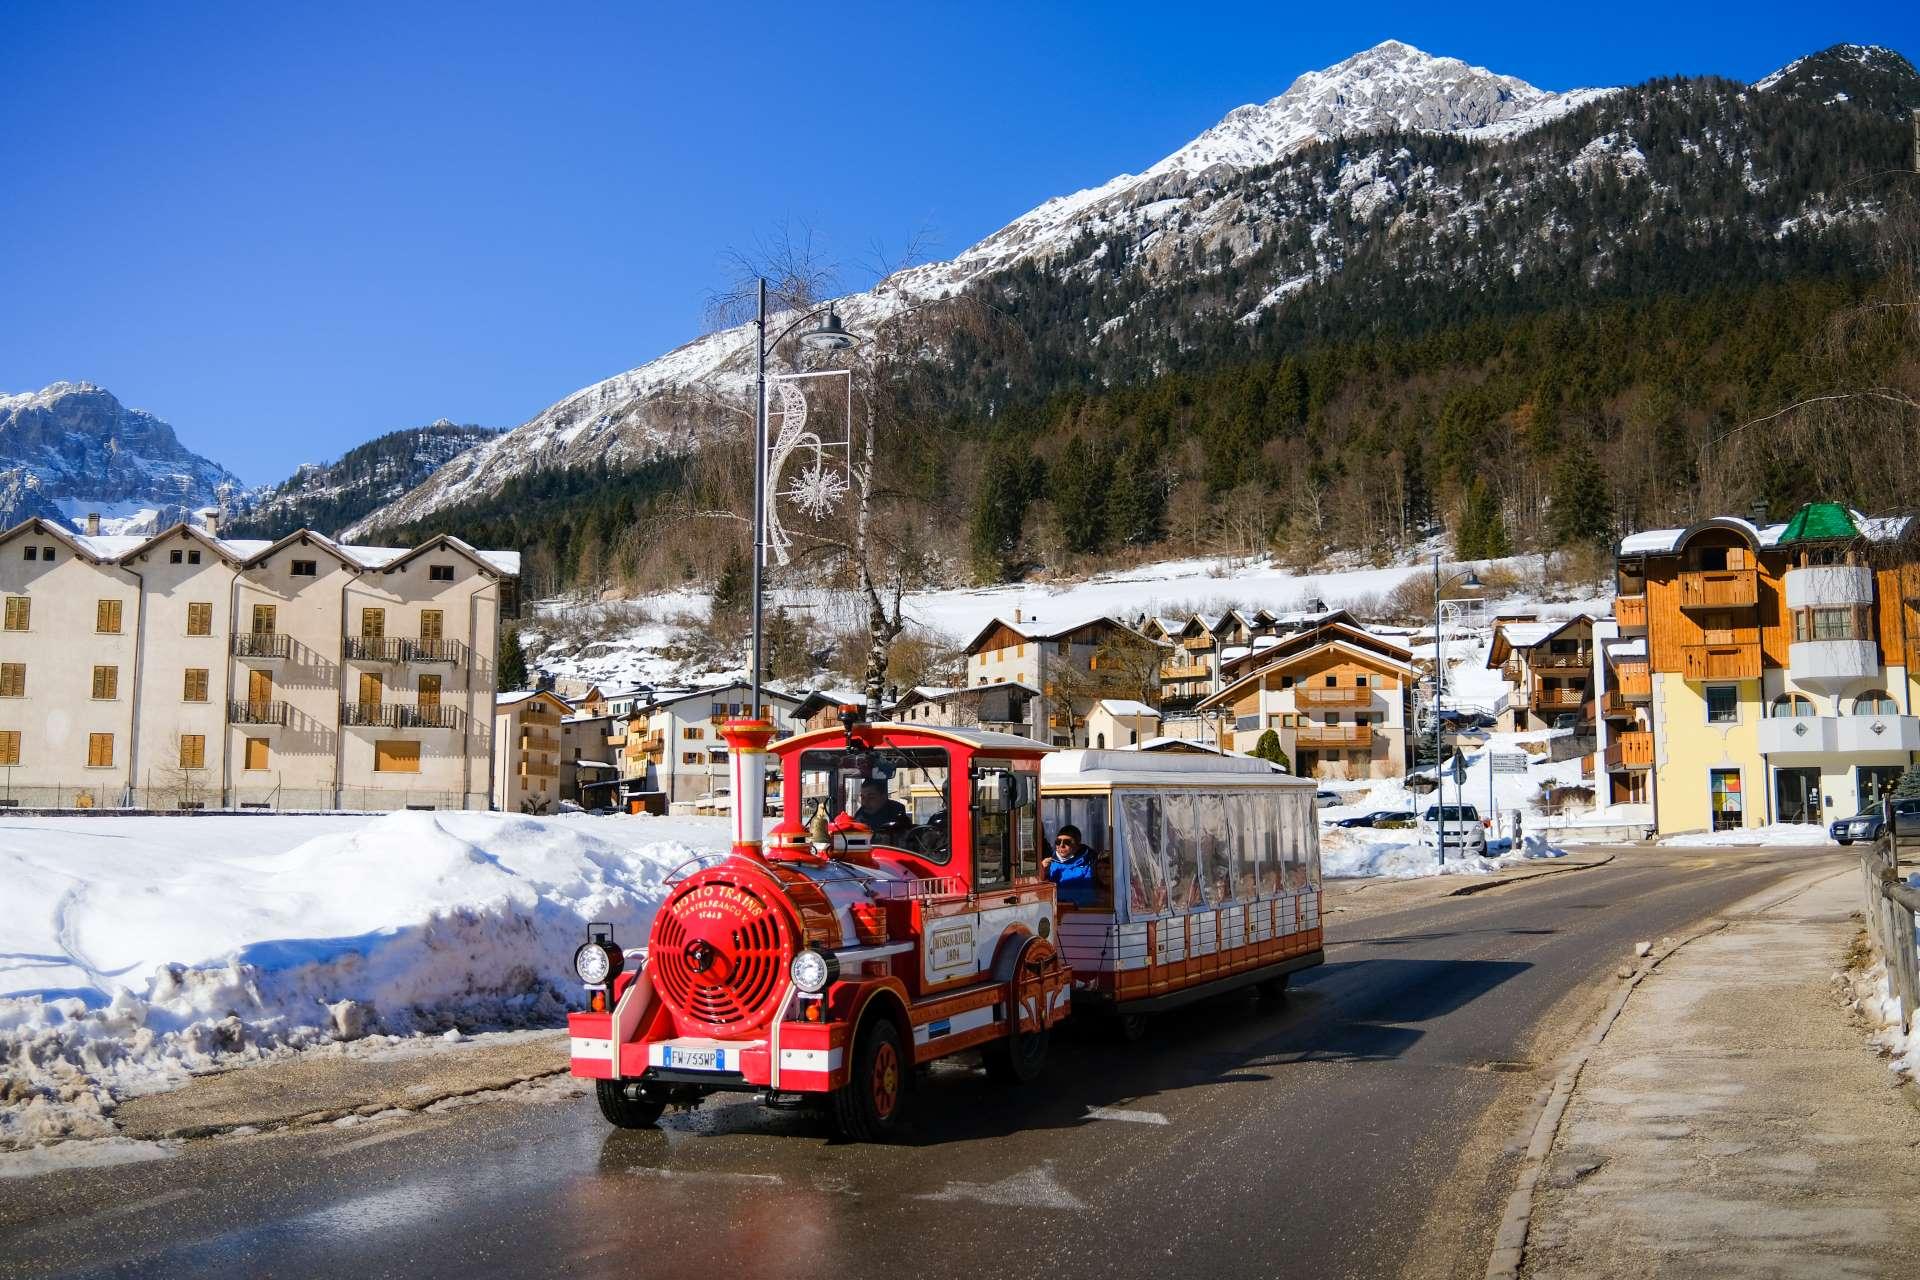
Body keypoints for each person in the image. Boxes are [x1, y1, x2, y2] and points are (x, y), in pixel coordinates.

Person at [1044, 824, 1097, 906]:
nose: (1061, 845)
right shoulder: (1049, 863)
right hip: (1054, 912)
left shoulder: (1090, 861)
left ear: (1077, 845)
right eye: (1058, 842)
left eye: (1067, 842)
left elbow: (1092, 896)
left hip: (1081, 912)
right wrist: (1042, 871)